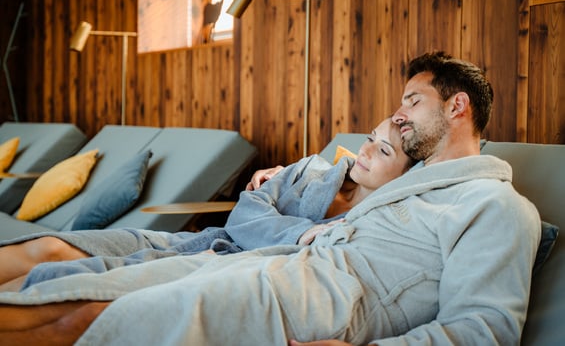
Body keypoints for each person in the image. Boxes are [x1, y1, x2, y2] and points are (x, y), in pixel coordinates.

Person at [0, 51, 541, 345]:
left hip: (318, 300)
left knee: (88, 322)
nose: (397, 116)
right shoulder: (408, 186)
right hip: (267, 265)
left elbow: (483, 327)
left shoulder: (496, 206)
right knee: (79, 298)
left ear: (457, 107)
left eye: (412, 101)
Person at [0, 117, 414, 292]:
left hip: (221, 268)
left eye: (384, 152)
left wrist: (273, 224)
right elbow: (246, 210)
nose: (366, 152)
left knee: (69, 273)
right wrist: (301, 231)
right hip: (198, 239)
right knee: (48, 247)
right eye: (369, 138)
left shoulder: (373, 224)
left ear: (407, 174)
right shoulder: (312, 169)